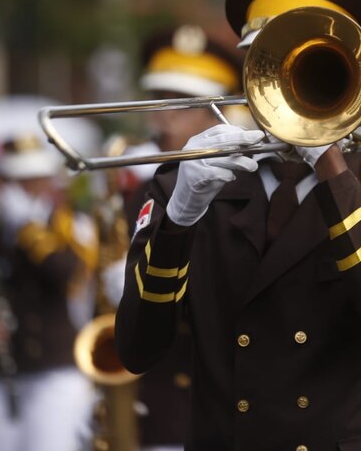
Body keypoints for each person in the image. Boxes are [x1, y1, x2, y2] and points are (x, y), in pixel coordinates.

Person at [115, 0, 361, 451]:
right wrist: (178, 221)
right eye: (267, 59)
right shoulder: (187, 179)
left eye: (308, 61)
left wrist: (332, 166)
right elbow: (139, 349)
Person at [101, 23, 243, 451]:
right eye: (159, 98)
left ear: (216, 109)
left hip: (205, 378)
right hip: (148, 376)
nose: (164, 114)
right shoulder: (131, 176)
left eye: (182, 103)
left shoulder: (236, 179)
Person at [0, 134, 96, 451]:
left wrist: (30, 231)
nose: (24, 189)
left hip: (55, 369)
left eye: (33, 179)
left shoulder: (70, 226)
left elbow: (68, 276)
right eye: (15, 180)